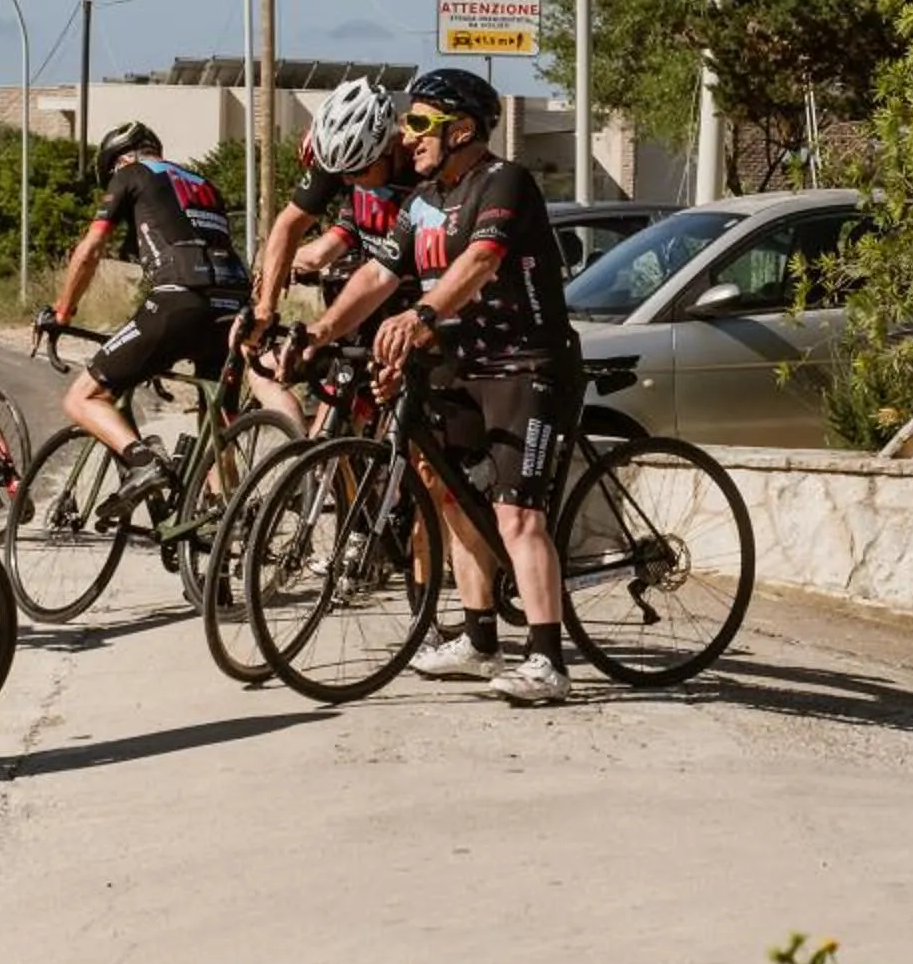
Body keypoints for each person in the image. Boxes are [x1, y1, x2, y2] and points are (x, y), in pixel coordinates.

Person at [301, 67, 580, 706]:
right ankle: (480, 641)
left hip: (526, 363)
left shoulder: (503, 180)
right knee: (453, 497)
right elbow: (376, 274)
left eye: (421, 123)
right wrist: (317, 331)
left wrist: (423, 314)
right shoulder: (423, 200)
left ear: (462, 131)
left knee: (517, 513)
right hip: (464, 364)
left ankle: (547, 659)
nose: (409, 135)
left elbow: (481, 261)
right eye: (409, 121)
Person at [39, 121, 251, 510]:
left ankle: (144, 462)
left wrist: (62, 311)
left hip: (180, 300)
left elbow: (90, 250)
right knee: (217, 423)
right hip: (235, 306)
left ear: (118, 159)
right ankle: (227, 525)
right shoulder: (202, 182)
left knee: (81, 397)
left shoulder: (130, 173)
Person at [239, 76, 412, 417]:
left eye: (358, 172)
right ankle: (305, 455)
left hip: (409, 300)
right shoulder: (341, 160)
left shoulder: (423, 169)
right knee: (278, 375)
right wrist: (266, 307)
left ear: (389, 147)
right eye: (339, 174)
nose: (346, 182)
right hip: (364, 297)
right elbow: (288, 227)